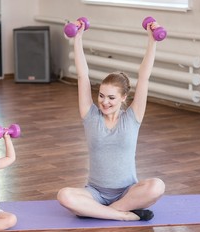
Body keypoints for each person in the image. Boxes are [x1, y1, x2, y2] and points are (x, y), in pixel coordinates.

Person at [57, 19, 165, 221]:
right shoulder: (90, 117)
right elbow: (83, 76)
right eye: (101, 96)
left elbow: (144, 78)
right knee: (64, 195)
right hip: (95, 193)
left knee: (157, 186)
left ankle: (102, 212)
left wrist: (152, 42)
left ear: (124, 98)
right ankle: (124, 216)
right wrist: (77, 40)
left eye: (111, 98)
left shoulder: (133, 118)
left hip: (127, 193)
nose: (104, 102)